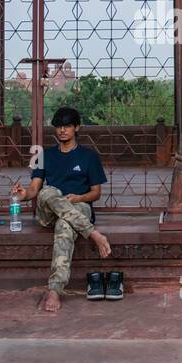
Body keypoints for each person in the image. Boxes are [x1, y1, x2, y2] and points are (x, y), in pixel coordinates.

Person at [11, 107, 113, 312]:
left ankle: (55, 290)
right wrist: (23, 195)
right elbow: (35, 189)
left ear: (77, 128)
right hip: (49, 210)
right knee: (48, 192)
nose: (62, 130)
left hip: (79, 206)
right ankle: (93, 234)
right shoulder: (43, 155)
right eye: (59, 126)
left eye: (67, 126)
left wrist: (79, 197)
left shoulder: (89, 156)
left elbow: (95, 193)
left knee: (65, 227)